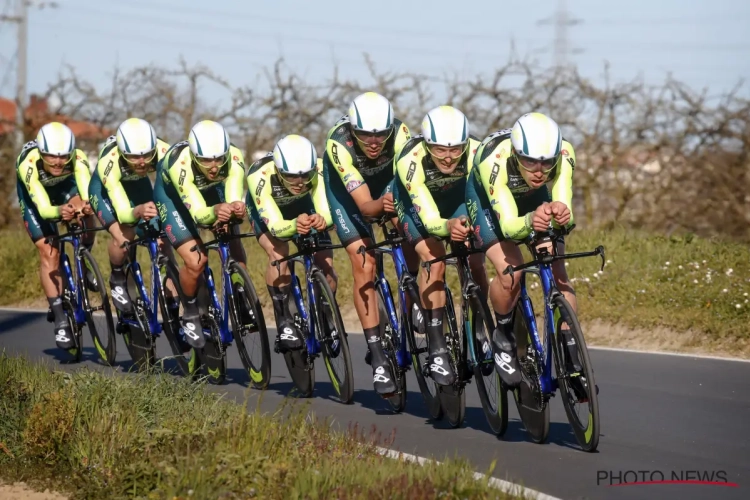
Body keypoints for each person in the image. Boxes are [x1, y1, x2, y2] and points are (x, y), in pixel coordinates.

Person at [466, 112, 579, 390]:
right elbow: (508, 227)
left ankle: (573, 357)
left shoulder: (564, 153)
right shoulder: (494, 160)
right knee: (511, 272)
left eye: (546, 163)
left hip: (533, 199)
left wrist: (561, 215)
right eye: (530, 161)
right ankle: (502, 335)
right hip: (489, 205)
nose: (539, 171)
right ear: (516, 154)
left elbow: (565, 206)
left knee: (558, 270)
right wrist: (531, 221)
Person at [322, 91, 414, 396]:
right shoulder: (338, 143)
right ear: (353, 129)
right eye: (365, 135)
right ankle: (376, 355)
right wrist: (381, 205)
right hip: (349, 197)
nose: (374, 142)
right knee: (365, 262)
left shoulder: (401, 133)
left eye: (380, 135)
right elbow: (365, 207)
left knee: (413, 233)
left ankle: (413, 296)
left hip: (387, 183)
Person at [392, 105, 483, 386]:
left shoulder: (478, 152)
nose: (448, 157)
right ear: (427, 143)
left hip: (456, 204)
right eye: (440, 149)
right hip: (416, 209)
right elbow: (430, 218)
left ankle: (479, 329)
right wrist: (448, 228)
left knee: (477, 263)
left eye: (456, 150)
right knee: (435, 260)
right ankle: (436, 345)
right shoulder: (410, 158)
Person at [152, 119, 247, 349]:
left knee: (231, 231)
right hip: (174, 199)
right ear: (195, 156)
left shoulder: (234, 156)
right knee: (196, 261)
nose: (214, 166)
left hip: (208, 190)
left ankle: (241, 294)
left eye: (218, 158)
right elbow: (198, 214)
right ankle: (191, 311)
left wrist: (234, 208)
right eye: (205, 160)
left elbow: (233, 195)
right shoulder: (180, 164)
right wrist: (215, 211)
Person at [245, 134, 337, 352]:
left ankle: (326, 318)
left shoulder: (321, 169)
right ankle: (284, 319)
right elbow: (276, 227)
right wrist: (294, 225)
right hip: (272, 216)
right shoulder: (259, 174)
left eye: (305, 175)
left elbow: (326, 208)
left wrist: (322, 219)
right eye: (291, 177)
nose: (300, 182)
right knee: (279, 253)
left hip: (305, 209)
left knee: (326, 265)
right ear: (278, 170)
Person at [15, 122, 97, 350]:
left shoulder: (77, 158)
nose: (59, 162)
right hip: (36, 201)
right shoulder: (29, 165)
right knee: (50, 252)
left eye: (63, 156)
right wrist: (58, 212)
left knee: (85, 208)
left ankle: (84, 257)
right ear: (42, 153)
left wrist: (87, 207)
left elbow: (85, 189)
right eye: (51, 156)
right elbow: (42, 209)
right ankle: (60, 318)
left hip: (64, 188)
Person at [88, 118, 172, 314]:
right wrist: (138, 211)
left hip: (138, 185)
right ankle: (117, 276)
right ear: (122, 152)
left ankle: (172, 301)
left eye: (146, 155)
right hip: (104, 191)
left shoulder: (164, 152)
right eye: (134, 157)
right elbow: (125, 214)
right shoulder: (109, 162)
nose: (142, 162)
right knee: (124, 235)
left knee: (163, 238)